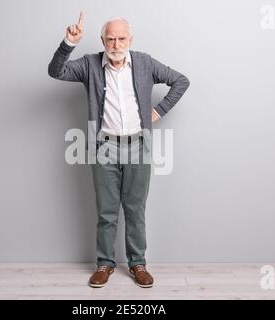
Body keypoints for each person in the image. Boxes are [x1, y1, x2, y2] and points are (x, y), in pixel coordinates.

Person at [48, 11, 190, 288]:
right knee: (106, 211)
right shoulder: (89, 65)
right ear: (102, 40)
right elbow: (56, 71)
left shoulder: (145, 63)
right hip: (104, 148)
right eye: (110, 39)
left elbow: (180, 81)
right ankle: (104, 264)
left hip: (138, 145)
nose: (116, 44)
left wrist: (159, 111)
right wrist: (68, 43)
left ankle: (138, 264)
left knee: (135, 210)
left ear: (130, 39)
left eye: (121, 38)